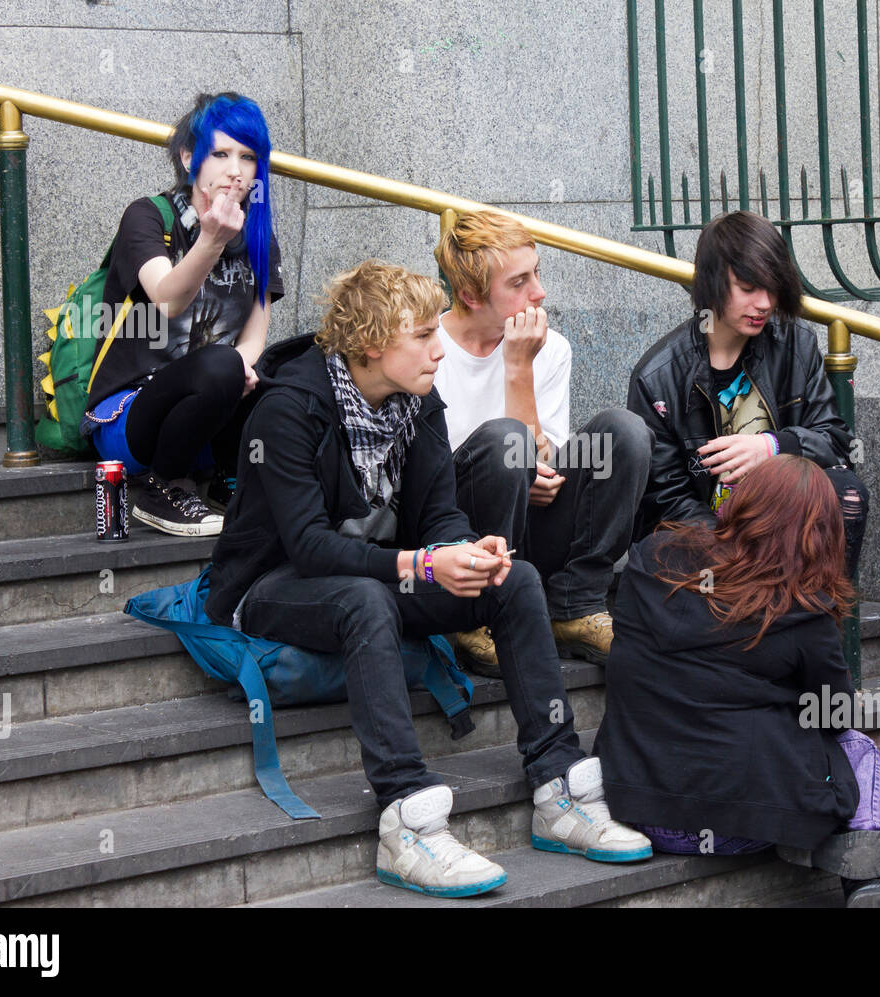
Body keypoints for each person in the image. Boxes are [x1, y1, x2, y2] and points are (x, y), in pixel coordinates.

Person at [203, 260, 651, 897]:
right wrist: (417, 563)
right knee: (364, 601)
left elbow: (439, 511)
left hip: (378, 575)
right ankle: (406, 818)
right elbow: (306, 546)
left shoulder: (416, 400)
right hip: (273, 587)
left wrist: (470, 551)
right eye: (421, 335)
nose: (439, 349)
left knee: (516, 580)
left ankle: (559, 788)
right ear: (370, 344)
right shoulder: (289, 409)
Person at [595, 455, 880, 907]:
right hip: (739, 826)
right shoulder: (801, 607)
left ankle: (838, 863)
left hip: (633, 808)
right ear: (820, 534)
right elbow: (837, 716)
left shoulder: (651, 560)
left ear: (740, 502)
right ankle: (874, 878)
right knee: (856, 747)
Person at [432, 210, 652, 673]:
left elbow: (542, 464)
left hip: (531, 533)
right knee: (502, 442)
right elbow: (428, 482)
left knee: (625, 434)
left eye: (538, 273)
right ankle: (471, 614)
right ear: (470, 294)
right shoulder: (426, 346)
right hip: (459, 540)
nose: (540, 292)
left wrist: (520, 367)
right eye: (518, 282)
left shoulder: (550, 348)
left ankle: (574, 606)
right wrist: (513, 466)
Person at [82, 92, 284, 536]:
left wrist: (243, 367)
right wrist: (210, 241)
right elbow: (167, 299)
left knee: (293, 378)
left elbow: (254, 334)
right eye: (221, 153)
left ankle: (233, 481)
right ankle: (162, 490)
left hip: (207, 412)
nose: (235, 169)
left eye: (248, 157)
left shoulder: (258, 236)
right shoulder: (148, 217)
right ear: (190, 157)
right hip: (131, 419)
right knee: (220, 364)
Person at [627, 210, 866, 578]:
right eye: (748, 287)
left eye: (772, 288)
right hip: (705, 537)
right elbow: (665, 501)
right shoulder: (658, 377)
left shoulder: (794, 346)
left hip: (782, 516)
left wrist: (773, 447)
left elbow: (836, 443)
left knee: (846, 493)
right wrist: (732, 545)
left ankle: (819, 626)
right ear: (711, 283)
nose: (765, 304)